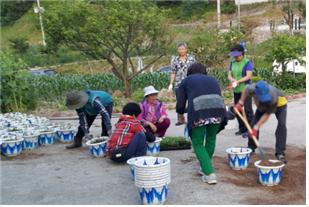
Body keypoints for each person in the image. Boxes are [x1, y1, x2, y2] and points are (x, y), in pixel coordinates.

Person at [176, 63, 226, 184]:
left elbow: (181, 102)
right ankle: (205, 167)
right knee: (211, 138)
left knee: (197, 143)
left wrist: (180, 114)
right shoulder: (212, 79)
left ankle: (210, 173)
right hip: (218, 110)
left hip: (199, 112)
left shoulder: (186, 81)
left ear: (190, 72)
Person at [235, 80, 288, 163]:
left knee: (282, 125)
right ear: (255, 93)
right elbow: (245, 90)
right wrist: (241, 102)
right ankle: (251, 147)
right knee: (253, 124)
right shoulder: (252, 88)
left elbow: (267, 114)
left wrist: (257, 127)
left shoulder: (273, 96)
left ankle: (280, 153)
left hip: (280, 104)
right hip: (262, 105)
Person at [228, 44, 254, 138]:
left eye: (237, 55)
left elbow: (249, 76)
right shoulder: (232, 62)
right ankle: (242, 129)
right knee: (237, 110)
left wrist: (238, 81)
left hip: (245, 90)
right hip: (236, 90)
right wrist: (232, 80)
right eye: (234, 55)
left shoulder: (247, 62)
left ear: (242, 53)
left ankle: (250, 130)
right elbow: (229, 75)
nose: (236, 57)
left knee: (247, 110)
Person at [169, 42, 196, 125]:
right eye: (180, 49)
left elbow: (195, 70)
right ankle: (181, 119)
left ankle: (193, 119)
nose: (181, 50)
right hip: (179, 84)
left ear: (186, 49)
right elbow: (173, 72)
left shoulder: (192, 59)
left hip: (190, 83)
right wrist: (171, 84)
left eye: (183, 49)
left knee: (192, 101)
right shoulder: (174, 60)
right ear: (178, 50)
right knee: (180, 102)